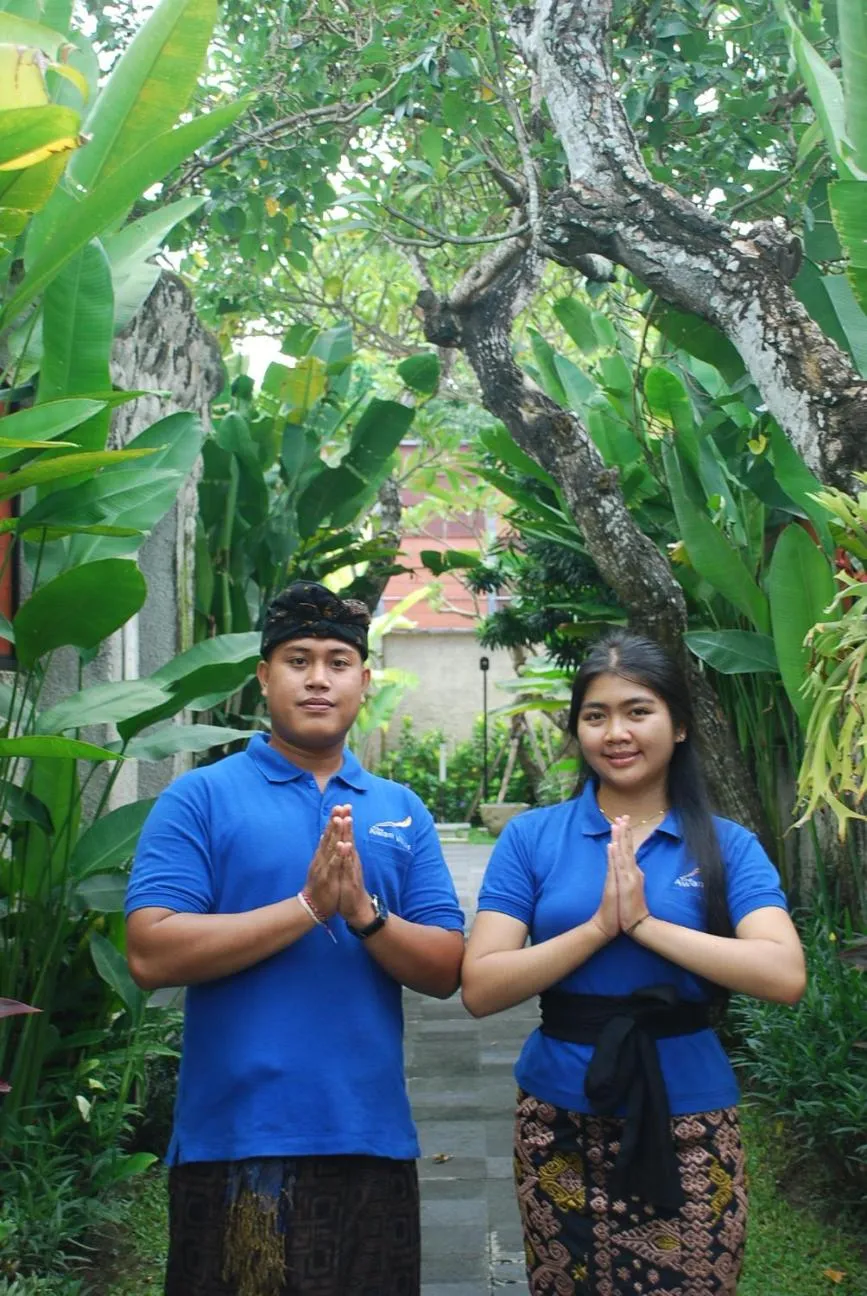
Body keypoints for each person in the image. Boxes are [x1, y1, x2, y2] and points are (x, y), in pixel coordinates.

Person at [125, 581, 465, 1296]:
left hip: (370, 1138)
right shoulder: (201, 797)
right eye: (297, 660)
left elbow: (443, 967)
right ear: (263, 677)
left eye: (338, 662)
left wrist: (364, 915)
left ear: (363, 681)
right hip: (237, 1143)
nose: (318, 679)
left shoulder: (401, 810)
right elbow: (151, 952)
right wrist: (308, 907)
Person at [461, 630, 806, 1296]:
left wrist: (644, 924)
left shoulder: (725, 845)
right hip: (556, 1116)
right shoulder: (532, 837)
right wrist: (597, 927)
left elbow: (781, 973)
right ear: (577, 729)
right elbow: (481, 986)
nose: (615, 732)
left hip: (691, 1115)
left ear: (677, 725)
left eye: (636, 711)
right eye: (595, 716)